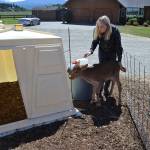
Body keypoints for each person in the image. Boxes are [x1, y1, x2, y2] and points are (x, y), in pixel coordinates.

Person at [84, 15, 124, 98]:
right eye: (98, 26)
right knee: (101, 72)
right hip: (102, 53)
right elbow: (95, 41)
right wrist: (90, 51)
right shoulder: (98, 30)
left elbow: (119, 47)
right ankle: (100, 91)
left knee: (109, 72)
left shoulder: (115, 31)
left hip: (112, 54)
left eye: (102, 26)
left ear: (107, 25)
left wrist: (119, 60)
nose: (99, 28)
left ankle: (106, 89)